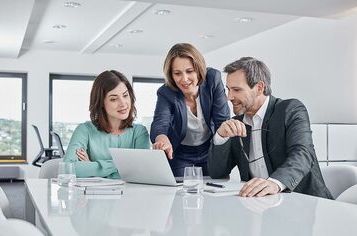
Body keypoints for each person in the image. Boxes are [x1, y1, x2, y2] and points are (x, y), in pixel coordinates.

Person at [208, 57, 332, 199]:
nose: (229, 97)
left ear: (259, 88)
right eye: (228, 90)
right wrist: (220, 137)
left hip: (306, 204)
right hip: (260, 207)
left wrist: (275, 183)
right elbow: (217, 173)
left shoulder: (290, 109)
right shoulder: (236, 124)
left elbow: (303, 153)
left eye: (236, 90)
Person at [150, 43, 230, 176]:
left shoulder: (213, 79)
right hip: (181, 153)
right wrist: (162, 139)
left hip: (209, 148)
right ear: (171, 75)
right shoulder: (166, 92)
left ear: (199, 69)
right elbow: (160, 122)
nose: (184, 79)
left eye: (189, 71)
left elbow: (222, 120)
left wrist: (221, 154)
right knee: (181, 192)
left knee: (215, 187)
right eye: (177, 73)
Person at [63, 70, 150, 178]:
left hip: (130, 194)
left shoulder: (139, 133)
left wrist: (91, 167)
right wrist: (124, 165)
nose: (123, 103)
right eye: (113, 99)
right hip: (91, 195)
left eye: (125, 95)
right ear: (101, 102)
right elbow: (67, 169)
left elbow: (142, 173)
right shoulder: (84, 130)